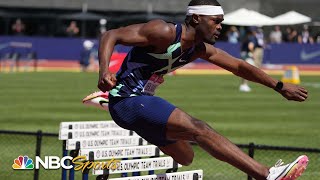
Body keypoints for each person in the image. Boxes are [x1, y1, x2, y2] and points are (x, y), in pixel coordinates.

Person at [85, 0, 309, 179]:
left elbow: (240, 66)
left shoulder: (199, 49)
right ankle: (267, 174)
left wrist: (279, 87)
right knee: (199, 129)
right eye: (216, 21)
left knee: (186, 156)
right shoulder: (163, 32)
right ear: (195, 18)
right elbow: (110, 34)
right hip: (129, 99)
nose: (221, 26)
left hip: (139, 102)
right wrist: (104, 71)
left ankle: (108, 103)